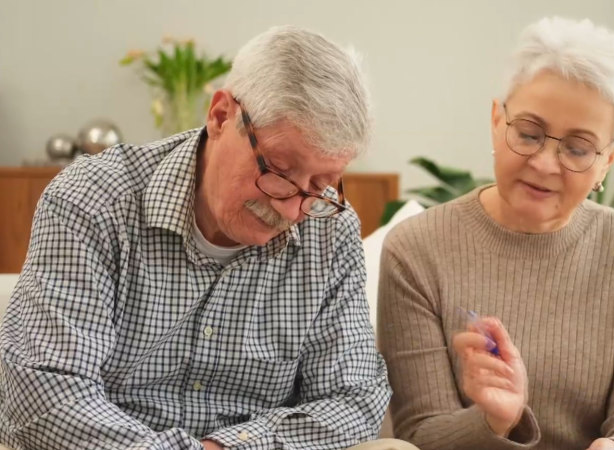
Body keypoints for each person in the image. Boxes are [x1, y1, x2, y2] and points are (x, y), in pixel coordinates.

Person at [0, 26, 405, 450]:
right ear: (220, 116)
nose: (291, 210)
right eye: (280, 171)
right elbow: (46, 397)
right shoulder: (94, 200)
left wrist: (228, 447)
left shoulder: (329, 229)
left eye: (321, 184)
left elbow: (354, 399)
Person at [378, 17, 614, 450]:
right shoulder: (417, 249)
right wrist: (495, 421)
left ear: (609, 160)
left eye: (577, 149)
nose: (544, 163)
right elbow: (421, 434)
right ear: (495, 120)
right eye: (528, 133)